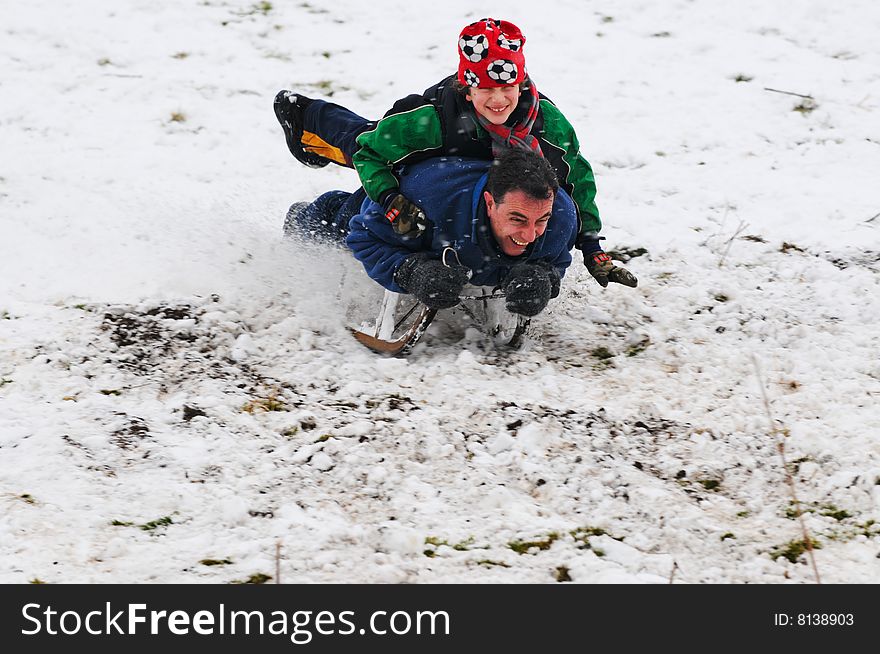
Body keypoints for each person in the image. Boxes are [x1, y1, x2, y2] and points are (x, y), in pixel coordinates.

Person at [274, 17, 638, 290]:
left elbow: (576, 178)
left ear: (522, 83)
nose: (498, 101)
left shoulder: (548, 125)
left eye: (507, 87)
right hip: (423, 165)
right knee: (359, 145)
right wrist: (390, 200)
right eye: (485, 90)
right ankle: (304, 117)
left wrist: (591, 244)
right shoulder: (431, 119)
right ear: (467, 88)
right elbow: (371, 156)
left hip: (490, 181)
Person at [290, 149, 586, 318]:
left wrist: (545, 279)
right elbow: (363, 237)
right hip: (389, 204)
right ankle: (307, 215)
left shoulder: (561, 219)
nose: (531, 234)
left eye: (540, 220)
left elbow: (556, 260)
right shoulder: (427, 201)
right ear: (490, 203)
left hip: (463, 198)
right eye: (518, 219)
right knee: (338, 219)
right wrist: (410, 270)